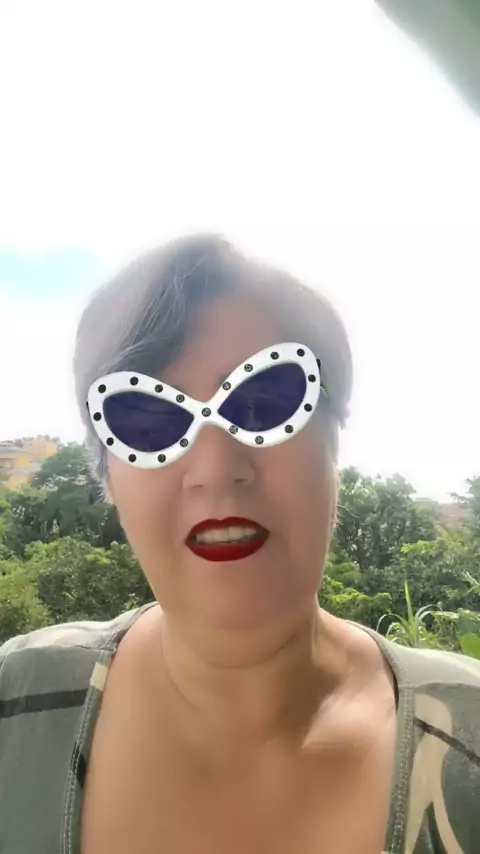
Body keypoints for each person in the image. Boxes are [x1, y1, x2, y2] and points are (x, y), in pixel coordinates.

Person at [0, 234, 479, 854]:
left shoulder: (468, 738)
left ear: (334, 443)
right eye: (145, 420)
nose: (216, 467)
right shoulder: (19, 702)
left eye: (264, 401)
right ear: (109, 479)